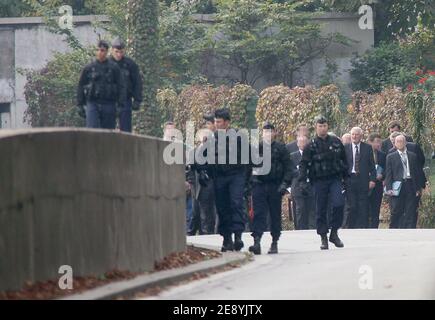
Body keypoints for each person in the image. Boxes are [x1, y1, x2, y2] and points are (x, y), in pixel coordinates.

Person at [195, 108, 250, 252]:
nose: (216, 124)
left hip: (236, 175)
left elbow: (249, 160)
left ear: (227, 122)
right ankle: (227, 239)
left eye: (219, 122)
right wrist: (202, 172)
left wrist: (247, 182)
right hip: (219, 177)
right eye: (215, 122)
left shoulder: (239, 137)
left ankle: (238, 236)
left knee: (236, 204)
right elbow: (200, 158)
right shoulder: (211, 139)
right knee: (222, 208)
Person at [299, 116, 348, 250]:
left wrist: (346, 178)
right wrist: (302, 182)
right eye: (320, 126)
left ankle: (334, 233)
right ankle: (323, 237)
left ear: (328, 126)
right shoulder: (311, 145)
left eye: (324, 125)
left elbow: (344, 161)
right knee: (321, 209)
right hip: (319, 180)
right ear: (316, 127)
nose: (322, 128)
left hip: (335, 179)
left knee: (338, 204)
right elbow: (303, 164)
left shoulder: (336, 142)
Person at [248, 122, 293, 255]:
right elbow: (249, 167)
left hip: (275, 186)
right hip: (259, 185)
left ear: (274, 133)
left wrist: (285, 184)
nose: (268, 134)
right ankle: (257, 241)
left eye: (270, 131)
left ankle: (274, 242)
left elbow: (288, 168)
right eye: (265, 131)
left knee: (275, 215)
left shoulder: (281, 148)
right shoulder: (256, 148)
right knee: (258, 214)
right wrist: (249, 183)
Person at [77, 40, 126, 129]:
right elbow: (81, 85)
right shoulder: (89, 67)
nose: (100, 52)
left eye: (102, 50)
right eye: (98, 50)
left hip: (109, 104)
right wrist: (80, 104)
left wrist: (120, 105)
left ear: (107, 52)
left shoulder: (114, 68)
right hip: (93, 103)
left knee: (108, 134)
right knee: (91, 131)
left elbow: (121, 86)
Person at [385, 135, 426, 228]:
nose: (400, 143)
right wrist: (389, 188)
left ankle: (410, 230)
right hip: (398, 185)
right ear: (395, 144)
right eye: (398, 141)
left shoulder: (413, 156)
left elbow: (417, 173)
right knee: (396, 210)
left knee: (410, 209)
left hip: (410, 184)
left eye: (402, 141)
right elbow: (388, 174)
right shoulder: (390, 157)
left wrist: (418, 188)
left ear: (405, 143)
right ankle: (393, 229)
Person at [344, 127, 376, 229]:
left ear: (361, 136)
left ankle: (362, 227)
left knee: (363, 205)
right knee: (352, 205)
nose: (354, 136)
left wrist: (372, 179)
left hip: (363, 180)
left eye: (356, 134)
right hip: (350, 179)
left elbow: (372, 166)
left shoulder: (367, 148)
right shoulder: (345, 148)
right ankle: (351, 226)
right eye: (353, 134)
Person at [109, 38, 143, 132]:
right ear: (112, 50)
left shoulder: (130, 64)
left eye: (121, 52)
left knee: (126, 128)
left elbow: (137, 82)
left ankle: (126, 146)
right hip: (109, 100)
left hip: (125, 100)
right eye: (116, 52)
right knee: (107, 127)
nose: (119, 54)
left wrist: (137, 100)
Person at [290, 135, 315, 230]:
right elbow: (290, 170)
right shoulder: (292, 156)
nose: (303, 144)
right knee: (300, 209)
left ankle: (313, 229)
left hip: (310, 186)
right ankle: (300, 230)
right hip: (298, 187)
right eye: (301, 142)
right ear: (297, 144)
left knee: (312, 209)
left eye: (305, 142)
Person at [367, 133, 387, 228]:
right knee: (366, 209)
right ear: (370, 142)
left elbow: (387, 169)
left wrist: (382, 175)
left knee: (375, 209)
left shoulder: (383, 155)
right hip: (366, 185)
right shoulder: (364, 153)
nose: (379, 144)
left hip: (378, 186)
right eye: (377, 142)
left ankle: (374, 229)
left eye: (380, 142)